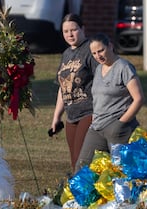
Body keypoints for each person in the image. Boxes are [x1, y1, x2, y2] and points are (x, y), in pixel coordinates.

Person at [75, 33, 144, 171]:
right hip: (97, 127)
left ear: (110, 46)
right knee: (82, 168)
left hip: (117, 128)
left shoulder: (123, 67)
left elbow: (138, 98)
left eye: (101, 50)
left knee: (121, 172)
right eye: (94, 53)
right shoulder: (99, 68)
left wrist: (120, 124)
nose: (98, 56)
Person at [51, 14, 99, 172]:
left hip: (89, 111)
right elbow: (62, 87)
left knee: (81, 160)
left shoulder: (90, 49)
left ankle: (87, 193)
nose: (70, 34)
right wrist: (57, 116)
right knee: (74, 161)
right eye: (66, 31)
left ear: (83, 29)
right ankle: (79, 193)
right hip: (71, 115)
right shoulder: (66, 54)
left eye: (74, 30)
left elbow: (102, 79)